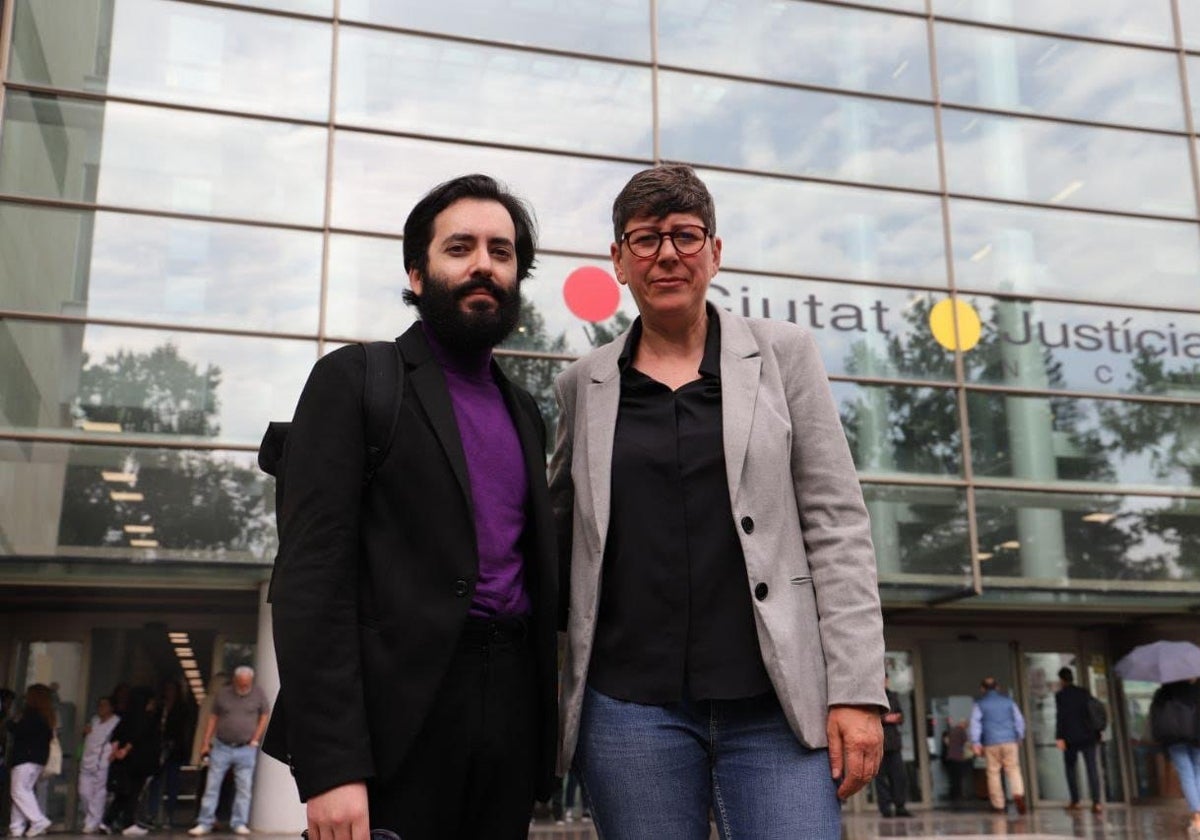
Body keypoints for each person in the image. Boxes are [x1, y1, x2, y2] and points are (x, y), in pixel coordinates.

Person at [549, 164, 887, 839]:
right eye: (644, 239)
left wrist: (856, 688)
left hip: (773, 703)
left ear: (716, 251)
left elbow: (837, 523)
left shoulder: (784, 354)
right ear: (618, 260)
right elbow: (554, 529)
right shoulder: (581, 385)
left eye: (685, 235)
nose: (667, 254)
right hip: (630, 708)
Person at [264, 174, 558, 840]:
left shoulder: (527, 415)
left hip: (508, 724)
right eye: (461, 247)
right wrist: (332, 766)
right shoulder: (355, 380)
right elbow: (312, 584)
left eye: (502, 252)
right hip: (393, 729)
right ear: (418, 273)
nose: (484, 263)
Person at [188, 666, 270, 836]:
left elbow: (264, 715)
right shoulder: (223, 694)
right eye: (240, 684)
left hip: (246, 748)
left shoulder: (258, 694)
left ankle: (239, 822)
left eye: (246, 685)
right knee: (212, 786)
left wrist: (256, 738)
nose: (243, 688)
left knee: (244, 788)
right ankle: (205, 822)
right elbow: (213, 718)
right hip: (221, 746)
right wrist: (205, 743)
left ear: (251, 682)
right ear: (234, 681)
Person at [105, 686, 161, 836]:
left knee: (123, 793)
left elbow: (116, 736)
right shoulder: (145, 719)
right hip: (138, 762)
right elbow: (137, 736)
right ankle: (127, 823)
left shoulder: (125, 717)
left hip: (124, 762)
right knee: (133, 793)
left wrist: (116, 751)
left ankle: (107, 821)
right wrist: (126, 750)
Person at [1149, 677, 1200, 838]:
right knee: (1198, 772)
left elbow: (1155, 719)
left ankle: (1197, 816)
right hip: (1197, 737)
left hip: (1174, 739)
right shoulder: (1195, 690)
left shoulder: (1162, 694)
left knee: (1186, 775)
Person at [970, 676, 1027, 814]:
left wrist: (976, 742)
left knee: (993, 772)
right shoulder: (1009, 702)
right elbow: (1019, 720)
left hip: (991, 742)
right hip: (1009, 740)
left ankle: (999, 805)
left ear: (982, 689)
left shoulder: (980, 704)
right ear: (998, 687)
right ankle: (1018, 793)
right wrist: (1019, 736)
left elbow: (975, 724)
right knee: (1013, 769)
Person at [6, 684, 55, 838]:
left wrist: (10, 723)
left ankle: (38, 820)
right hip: (37, 759)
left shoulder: (32, 715)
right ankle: (16, 827)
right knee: (23, 791)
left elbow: (20, 730)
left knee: (18, 791)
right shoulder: (47, 715)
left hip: (25, 757)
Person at [143, 679, 193, 828]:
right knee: (155, 783)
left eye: (172, 689)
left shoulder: (182, 708)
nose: (169, 693)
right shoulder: (159, 707)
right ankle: (152, 814)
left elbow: (184, 729)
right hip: (157, 750)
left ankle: (169, 816)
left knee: (172, 784)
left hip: (175, 751)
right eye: (167, 689)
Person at [1054, 667, 1102, 813]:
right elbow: (1093, 712)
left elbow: (1060, 717)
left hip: (1070, 738)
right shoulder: (1084, 693)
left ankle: (1075, 801)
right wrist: (1097, 731)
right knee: (1092, 769)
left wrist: (1059, 737)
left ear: (1061, 680)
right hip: (1088, 736)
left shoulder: (1061, 695)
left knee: (1070, 769)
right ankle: (1097, 802)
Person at [78, 696, 121, 833]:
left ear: (111, 707)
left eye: (104, 705)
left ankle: (93, 822)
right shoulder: (94, 720)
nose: (101, 708)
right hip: (87, 760)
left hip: (102, 762)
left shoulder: (116, 722)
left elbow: (118, 739)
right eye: (99, 705)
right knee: (84, 792)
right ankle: (92, 818)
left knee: (99, 794)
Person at [876, 677, 910, 817]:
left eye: (885, 679)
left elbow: (901, 716)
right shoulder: (873, 696)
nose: (884, 682)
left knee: (899, 776)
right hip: (879, 744)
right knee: (881, 779)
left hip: (894, 743)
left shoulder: (893, 696)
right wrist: (885, 719)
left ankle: (900, 807)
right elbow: (869, 717)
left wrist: (897, 718)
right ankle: (885, 809)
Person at [942, 717, 972, 805]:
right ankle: (958, 796)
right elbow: (966, 744)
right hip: (958, 757)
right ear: (964, 724)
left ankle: (953, 795)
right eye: (966, 725)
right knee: (958, 778)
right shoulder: (962, 731)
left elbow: (946, 741)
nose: (966, 727)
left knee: (952, 778)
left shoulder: (952, 730)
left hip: (950, 757)